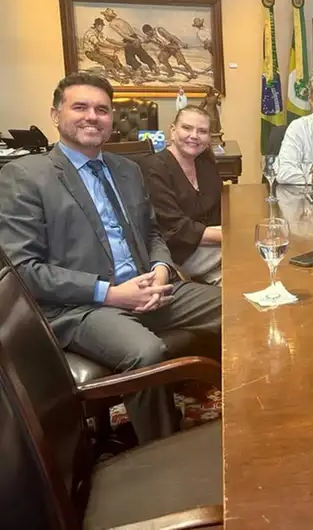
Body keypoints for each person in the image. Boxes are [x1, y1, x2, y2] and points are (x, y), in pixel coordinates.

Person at [0, 73, 221, 444]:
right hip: (82, 307)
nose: (92, 116)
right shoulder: (24, 176)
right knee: (146, 352)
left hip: (149, 288)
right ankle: (163, 452)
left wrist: (161, 269)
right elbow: (24, 271)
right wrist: (112, 293)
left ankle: (248, 415)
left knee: (238, 308)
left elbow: (152, 233)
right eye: (80, 107)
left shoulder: (128, 170)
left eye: (102, 110)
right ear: (55, 115)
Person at [145, 105, 222, 285]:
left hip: (210, 248)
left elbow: (217, 210)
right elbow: (174, 229)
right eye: (187, 128)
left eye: (202, 131)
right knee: (253, 248)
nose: (194, 136)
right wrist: (230, 237)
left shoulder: (205, 163)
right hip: (177, 254)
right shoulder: (154, 168)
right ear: (173, 131)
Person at [101, 7, 158, 75]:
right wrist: (141, 37)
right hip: (134, 36)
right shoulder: (120, 20)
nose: (105, 18)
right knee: (142, 55)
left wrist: (134, 40)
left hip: (129, 39)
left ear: (109, 16)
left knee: (129, 59)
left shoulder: (112, 24)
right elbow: (133, 29)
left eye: (105, 16)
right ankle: (154, 66)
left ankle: (141, 71)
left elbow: (123, 34)